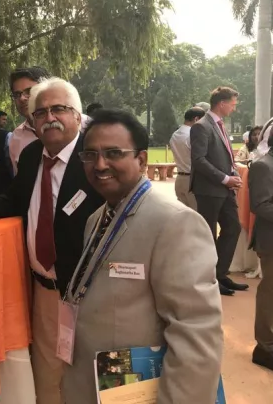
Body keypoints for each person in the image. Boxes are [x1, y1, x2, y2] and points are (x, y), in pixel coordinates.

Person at [63, 109, 223, 403]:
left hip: (142, 389)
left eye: (114, 153)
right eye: (90, 155)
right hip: (99, 383)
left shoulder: (175, 223)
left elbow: (195, 334)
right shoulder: (97, 218)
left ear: (141, 159)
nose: (100, 164)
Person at [0, 78, 104, 404]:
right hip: (44, 290)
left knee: (90, 377)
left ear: (78, 115)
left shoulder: (95, 160)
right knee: (48, 377)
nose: (49, 117)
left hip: (89, 293)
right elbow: (16, 200)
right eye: (40, 112)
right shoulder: (31, 156)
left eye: (59, 109)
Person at [191, 86, 249, 296]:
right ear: (222, 103)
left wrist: (232, 173)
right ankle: (208, 279)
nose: (234, 108)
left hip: (225, 189)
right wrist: (225, 179)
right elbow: (198, 160)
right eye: (232, 104)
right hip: (209, 190)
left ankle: (220, 274)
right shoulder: (202, 126)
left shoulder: (219, 125)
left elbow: (223, 156)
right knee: (208, 235)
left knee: (233, 228)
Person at [249, 131, 273, 371]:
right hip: (271, 240)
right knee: (270, 292)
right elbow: (260, 205)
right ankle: (265, 347)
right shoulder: (263, 166)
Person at [8, 66, 48, 175]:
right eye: (17, 94)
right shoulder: (16, 138)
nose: (22, 98)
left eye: (29, 91)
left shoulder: (80, 125)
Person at [168, 106, 206, 210]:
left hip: (180, 178)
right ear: (196, 119)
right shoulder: (192, 135)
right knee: (197, 214)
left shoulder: (175, 135)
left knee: (184, 214)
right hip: (193, 179)